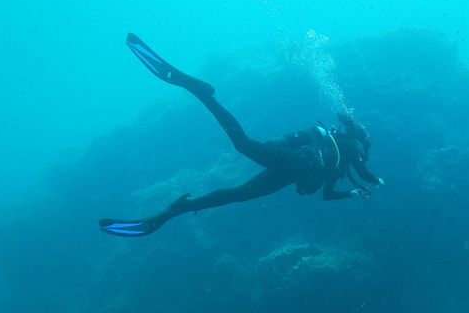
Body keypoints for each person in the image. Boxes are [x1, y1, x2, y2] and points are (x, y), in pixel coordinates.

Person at [99, 33, 383, 237]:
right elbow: (366, 174)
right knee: (242, 147)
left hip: (290, 172)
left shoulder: (340, 162)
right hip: (295, 162)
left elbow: (327, 196)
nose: (364, 152)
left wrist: (353, 194)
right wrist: (377, 182)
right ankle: (201, 92)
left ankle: (179, 209)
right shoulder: (349, 147)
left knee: (239, 192)